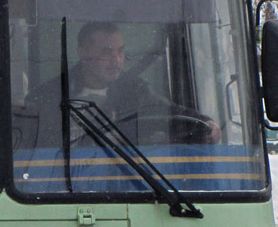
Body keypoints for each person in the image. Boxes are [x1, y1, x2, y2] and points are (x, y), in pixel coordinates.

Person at [24, 21, 219, 147]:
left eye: (120, 52)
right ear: (82, 53)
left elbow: (169, 112)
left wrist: (205, 122)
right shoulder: (48, 96)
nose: (116, 60)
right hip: (60, 187)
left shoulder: (136, 91)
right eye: (107, 52)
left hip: (123, 183)